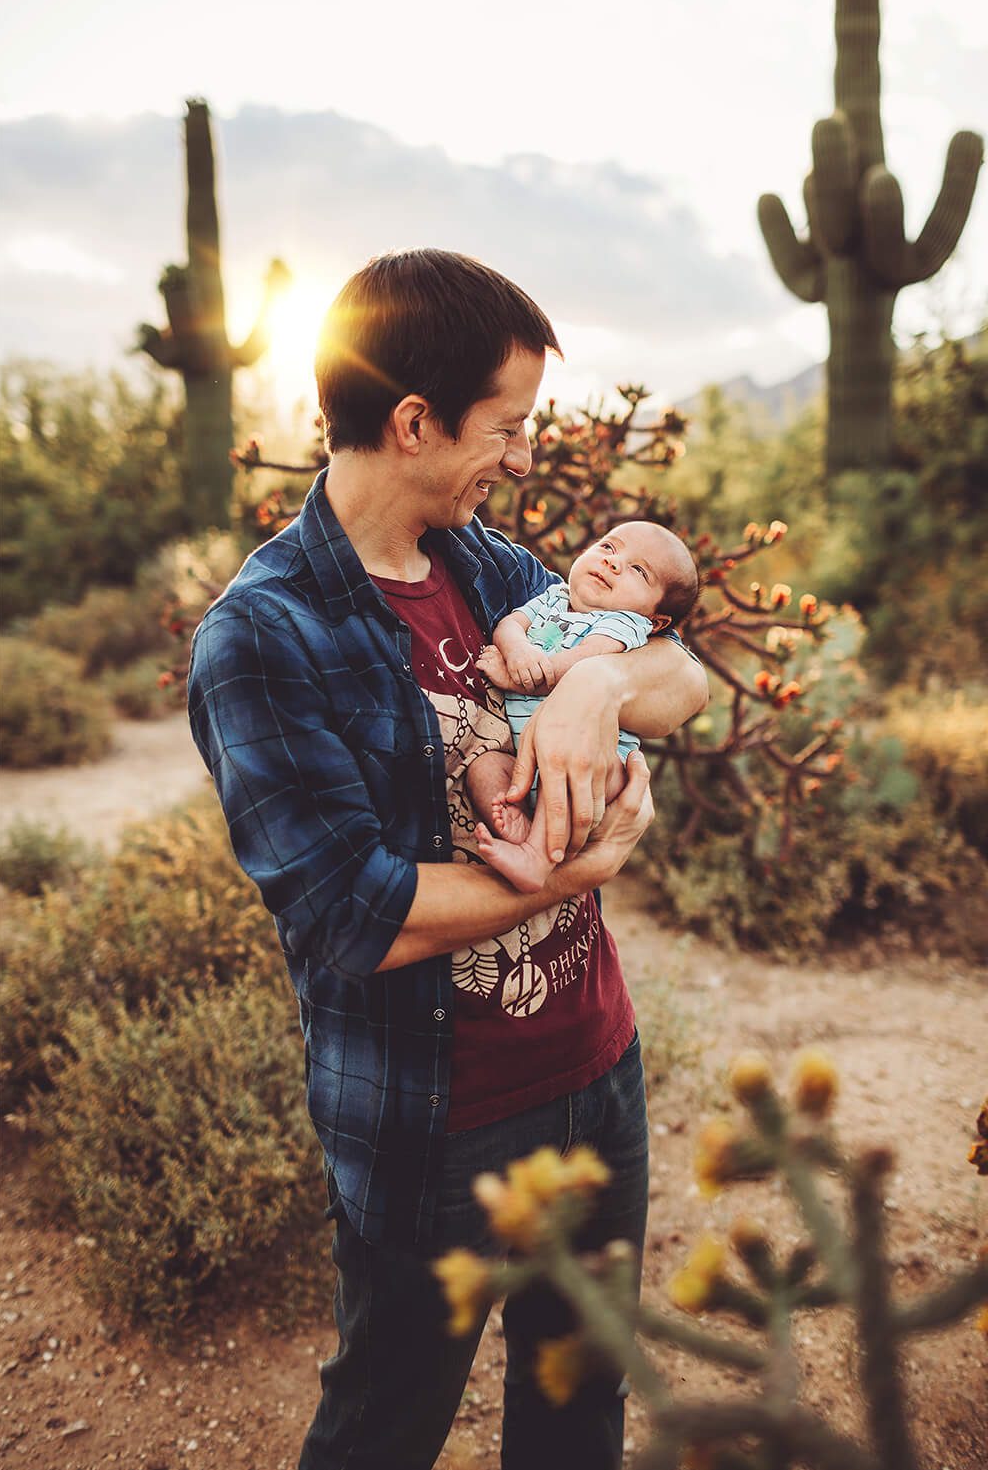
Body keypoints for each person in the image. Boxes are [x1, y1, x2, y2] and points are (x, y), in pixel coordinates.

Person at [186, 249, 709, 1470]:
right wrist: (570, 877)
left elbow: (678, 675)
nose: (524, 459)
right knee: (382, 1430)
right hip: (433, 1127)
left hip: (596, 1071)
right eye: (506, 428)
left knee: (576, 1416)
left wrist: (594, 684)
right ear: (412, 421)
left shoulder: (487, 568)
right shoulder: (263, 634)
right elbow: (352, 917)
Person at [467, 520, 702, 892]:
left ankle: (538, 859)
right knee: (484, 767)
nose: (613, 563)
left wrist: (517, 678)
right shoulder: (554, 597)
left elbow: (583, 663)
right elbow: (510, 624)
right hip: (525, 762)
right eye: (609, 547)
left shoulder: (624, 625)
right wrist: (517, 650)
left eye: (638, 570)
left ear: (656, 621)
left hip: (596, 768)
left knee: (571, 771)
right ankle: (522, 829)